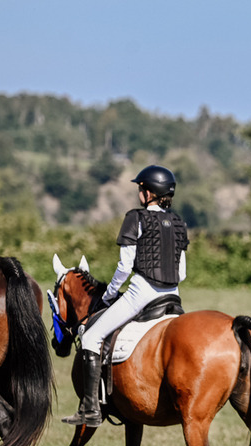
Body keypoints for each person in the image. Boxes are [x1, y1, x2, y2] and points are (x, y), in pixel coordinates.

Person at [63, 165, 189, 427]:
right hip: (173, 297)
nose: (138, 193)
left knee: (91, 336)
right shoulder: (178, 223)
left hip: (142, 293)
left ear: (148, 192)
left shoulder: (136, 218)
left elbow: (124, 267)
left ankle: (90, 410)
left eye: (140, 188)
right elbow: (182, 272)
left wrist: (109, 294)